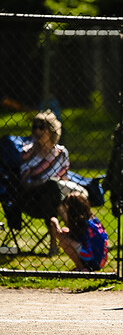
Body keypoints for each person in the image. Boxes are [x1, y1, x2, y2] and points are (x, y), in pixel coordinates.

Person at [19, 109, 86, 256]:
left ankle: (54, 244)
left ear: (51, 130)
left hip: (56, 197)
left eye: (41, 127)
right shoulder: (28, 152)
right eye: (34, 127)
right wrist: (45, 183)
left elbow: (64, 179)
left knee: (54, 190)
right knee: (50, 188)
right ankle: (75, 235)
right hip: (34, 198)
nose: (36, 130)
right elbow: (25, 183)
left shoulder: (61, 154)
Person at [50, 191, 108, 272]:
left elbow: (63, 235)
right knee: (65, 232)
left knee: (63, 240)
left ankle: (81, 268)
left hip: (93, 259)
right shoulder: (92, 219)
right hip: (101, 259)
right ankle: (84, 267)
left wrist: (55, 223)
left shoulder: (82, 223)